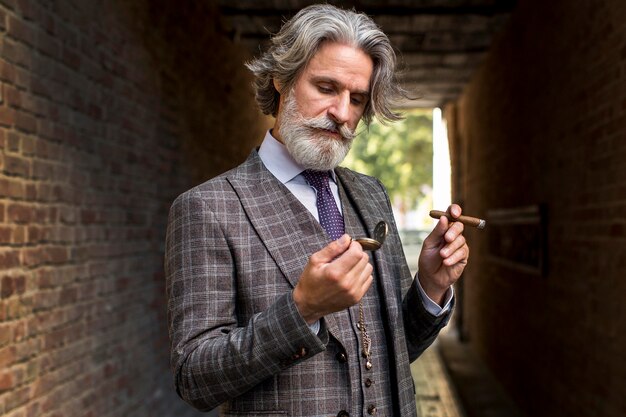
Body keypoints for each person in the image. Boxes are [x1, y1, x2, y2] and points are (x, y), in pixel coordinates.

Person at [165, 4, 469, 416]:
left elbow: (392, 356)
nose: (342, 114)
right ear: (281, 80)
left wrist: (430, 286)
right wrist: (302, 310)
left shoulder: (371, 194)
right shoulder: (208, 208)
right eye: (326, 88)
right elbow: (194, 378)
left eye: (357, 98)